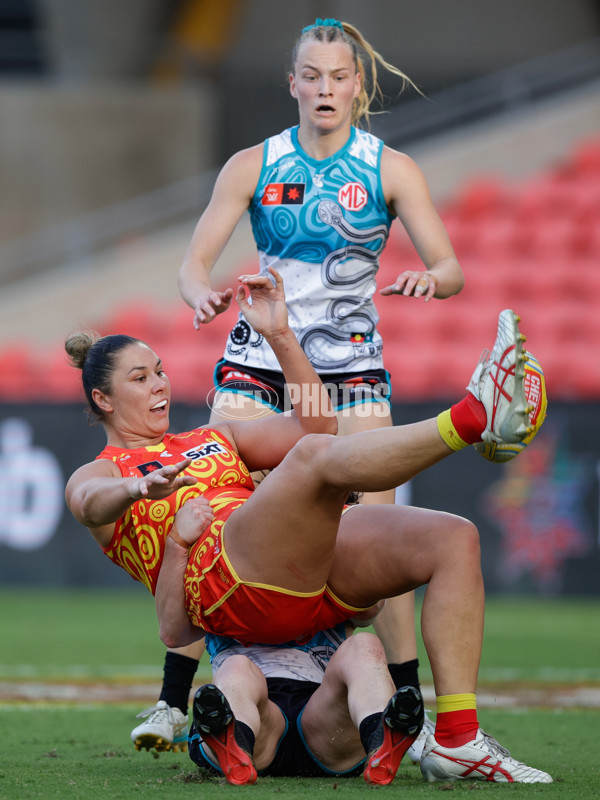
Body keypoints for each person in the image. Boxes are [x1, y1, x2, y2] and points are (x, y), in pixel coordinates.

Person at [65, 268, 550, 784]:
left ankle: (458, 740)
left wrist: (280, 336)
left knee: (453, 538)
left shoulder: (214, 435)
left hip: (294, 580)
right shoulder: (107, 471)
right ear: (104, 399)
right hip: (225, 586)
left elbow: (318, 424)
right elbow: (88, 502)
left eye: (159, 371)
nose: (159, 384)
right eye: (139, 379)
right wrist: (136, 488)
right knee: (314, 458)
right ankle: (472, 418)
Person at [176, 16, 465, 742]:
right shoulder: (252, 163)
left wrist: (432, 279)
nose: (325, 88)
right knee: (204, 504)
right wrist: (198, 290)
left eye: (339, 76)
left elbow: (452, 267)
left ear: (357, 84)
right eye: (313, 75)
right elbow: (191, 263)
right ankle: (172, 694)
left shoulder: (392, 169)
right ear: (293, 83)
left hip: (350, 366)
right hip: (256, 357)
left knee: (375, 526)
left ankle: (408, 708)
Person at [189, 623, 425, 786]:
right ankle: (235, 740)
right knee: (236, 667)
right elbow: (173, 632)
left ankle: (378, 736)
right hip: (257, 711)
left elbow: (368, 610)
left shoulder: (331, 550)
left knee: (364, 644)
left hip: (323, 709)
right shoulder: (214, 557)